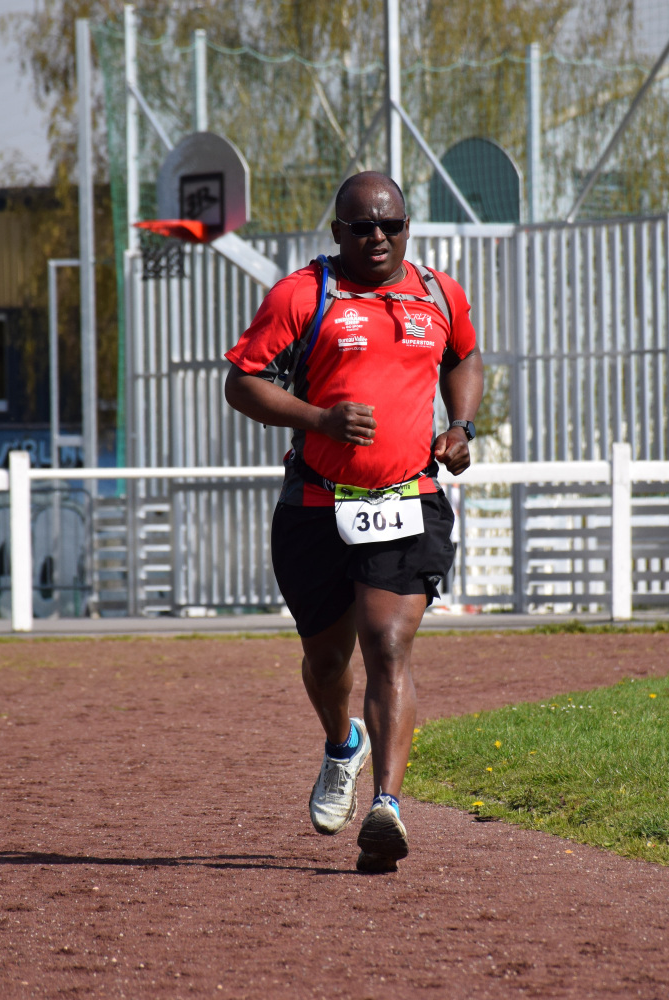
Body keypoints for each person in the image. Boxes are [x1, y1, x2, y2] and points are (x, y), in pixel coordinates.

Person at [222, 171, 484, 873]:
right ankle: (343, 744)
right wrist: (320, 419)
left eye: (391, 226)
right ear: (338, 231)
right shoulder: (301, 295)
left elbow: (465, 358)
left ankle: (386, 809)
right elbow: (242, 382)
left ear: (407, 228)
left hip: (409, 498)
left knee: (387, 645)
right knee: (327, 662)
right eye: (362, 227)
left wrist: (460, 426)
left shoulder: (438, 294)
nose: (377, 238)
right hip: (315, 507)